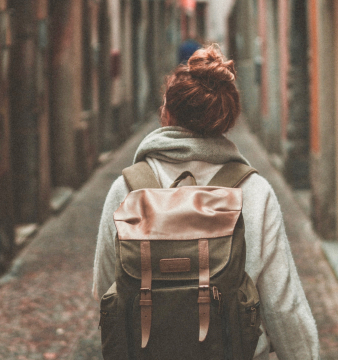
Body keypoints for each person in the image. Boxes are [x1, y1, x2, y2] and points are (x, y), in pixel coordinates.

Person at [92, 44, 319, 360]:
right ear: (226, 119)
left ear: (167, 113)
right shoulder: (253, 191)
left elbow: (108, 288)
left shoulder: (127, 191)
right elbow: (283, 305)